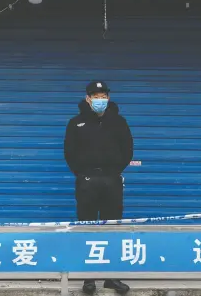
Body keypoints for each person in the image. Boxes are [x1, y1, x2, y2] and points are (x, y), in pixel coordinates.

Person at [64, 81, 133, 295]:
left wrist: (113, 171)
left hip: (111, 181)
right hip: (86, 181)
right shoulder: (76, 123)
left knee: (112, 228)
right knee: (87, 228)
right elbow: (69, 152)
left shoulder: (119, 122)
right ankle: (89, 279)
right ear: (88, 98)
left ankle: (112, 277)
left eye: (103, 95)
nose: (99, 99)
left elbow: (128, 150)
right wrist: (82, 174)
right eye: (95, 95)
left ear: (108, 98)